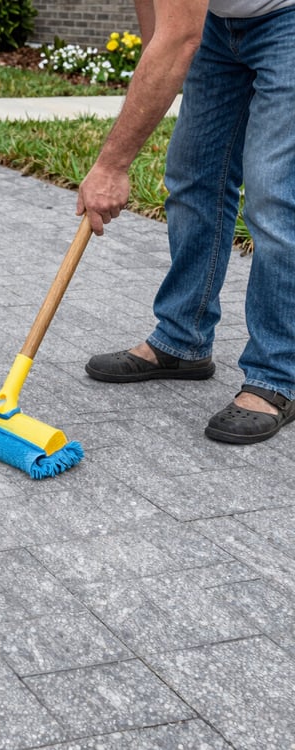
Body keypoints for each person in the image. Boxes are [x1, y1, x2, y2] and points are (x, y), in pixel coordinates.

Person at [78, 0, 295, 444]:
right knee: (194, 177)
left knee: (274, 195)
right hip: (219, 26)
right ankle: (182, 340)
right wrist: (156, 67)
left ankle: (279, 374)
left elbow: (178, 40)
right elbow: (163, 28)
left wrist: (111, 166)